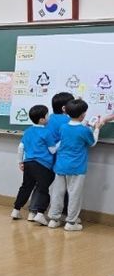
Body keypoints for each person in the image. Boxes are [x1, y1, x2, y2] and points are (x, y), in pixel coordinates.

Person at [47, 99, 103, 231]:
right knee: (74, 194)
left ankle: (54, 219)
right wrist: (97, 129)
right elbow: (92, 143)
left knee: (57, 193)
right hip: (76, 167)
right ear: (83, 115)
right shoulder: (84, 130)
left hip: (60, 166)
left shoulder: (63, 127)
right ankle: (71, 222)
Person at [27, 92, 74, 221]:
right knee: (64, 186)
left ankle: (33, 211)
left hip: (43, 158)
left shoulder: (48, 118)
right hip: (60, 158)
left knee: (41, 185)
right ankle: (63, 214)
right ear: (64, 108)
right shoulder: (69, 121)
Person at [10, 105, 56, 225]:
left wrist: (20, 162)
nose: (49, 117)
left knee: (26, 187)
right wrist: (61, 143)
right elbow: (52, 150)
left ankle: (16, 210)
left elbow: (21, 147)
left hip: (28, 163)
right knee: (43, 189)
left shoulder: (28, 131)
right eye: (47, 115)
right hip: (42, 165)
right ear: (42, 119)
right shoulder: (47, 132)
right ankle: (40, 213)